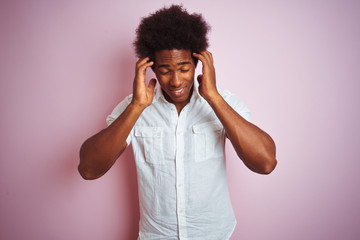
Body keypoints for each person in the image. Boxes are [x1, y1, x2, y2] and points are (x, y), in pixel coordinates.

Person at [78, 5, 277, 240]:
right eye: (164, 70)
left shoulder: (223, 101)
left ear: (197, 64)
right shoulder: (135, 106)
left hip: (214, 235)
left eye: (184, 68)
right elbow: (89, 169)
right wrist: (136, 107)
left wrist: (212, 97)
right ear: (151, 67)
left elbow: (265, 163)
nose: (175, 80)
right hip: (156, 236)